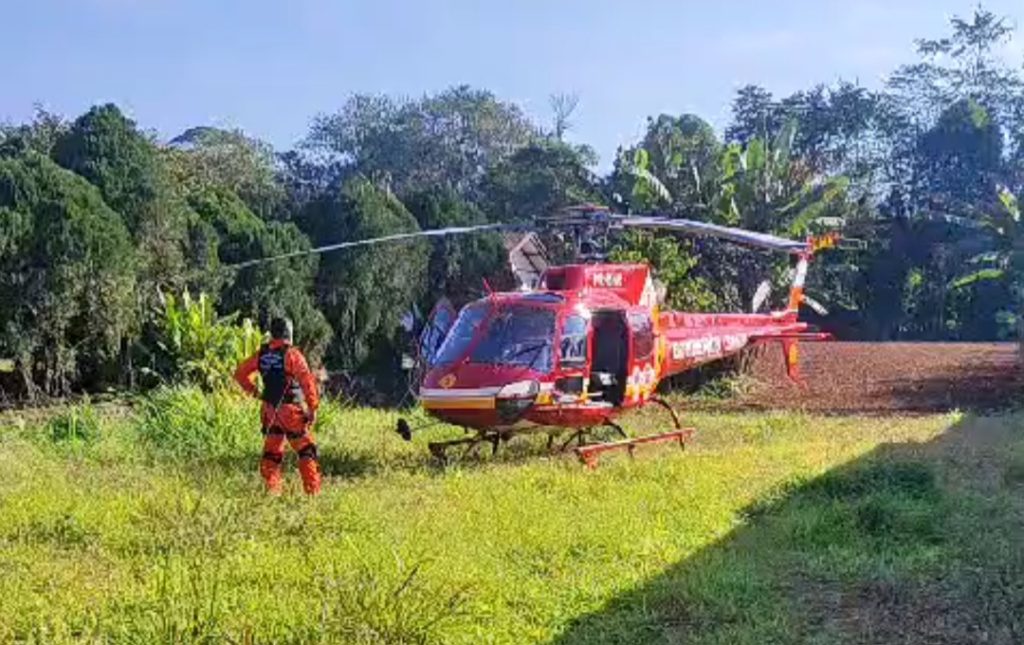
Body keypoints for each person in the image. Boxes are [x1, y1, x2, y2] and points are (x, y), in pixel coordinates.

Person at [234, 317, 321, 495]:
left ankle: (272, 493)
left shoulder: (262, 354)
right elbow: (307, 382)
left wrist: (256, 392)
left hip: (269, 411)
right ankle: (312, 493)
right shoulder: (292, 354)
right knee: (306, 450)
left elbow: (240, 374)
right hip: (291, 412)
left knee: (271, 455)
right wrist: (312, 408)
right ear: (289, 333)